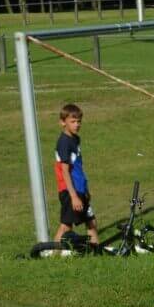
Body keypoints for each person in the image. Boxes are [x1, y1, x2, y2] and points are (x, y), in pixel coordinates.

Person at [54, 102, 98, 244]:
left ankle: (96, 251)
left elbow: (78, 166)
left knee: (91, 222)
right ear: (63, 122)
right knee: (66, 226)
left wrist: (85, 189)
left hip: (80, 188)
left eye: (79, 121)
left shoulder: (75, 139)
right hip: (70, 191)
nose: (77, 125)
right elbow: (65, 171)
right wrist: (74, 196)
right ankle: (53, 252)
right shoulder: (64, 142)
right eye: (72, 122)